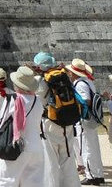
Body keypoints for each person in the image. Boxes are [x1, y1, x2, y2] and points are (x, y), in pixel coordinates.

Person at [0, 66, 44, 186]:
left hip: (16, 146)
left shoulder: (12, 99)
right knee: (34, 182)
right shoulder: (38, 101)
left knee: (7, 180)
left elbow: (1, 121)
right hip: (36, 146)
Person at [32, 52, 79, 187]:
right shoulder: (64, 76)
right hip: (67, 121)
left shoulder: (40, 81)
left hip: (50, 122)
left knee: (51, 161)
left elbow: (39, 103)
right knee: (68, 158)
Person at [66, 58, 104, 185]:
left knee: (86, 148)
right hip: (90, 120)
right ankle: (98, 174)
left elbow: (86, 100)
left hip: (84, 120)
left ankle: (91, 175)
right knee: (93, 147)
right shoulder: (88, 82)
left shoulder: (80, 84)